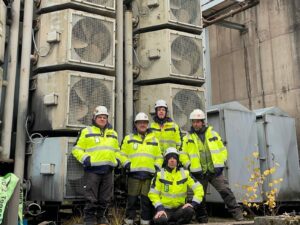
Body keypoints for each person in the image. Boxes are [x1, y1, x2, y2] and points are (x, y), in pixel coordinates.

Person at [180, 109, 244, 223]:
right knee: (199, 196)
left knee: (226, 191)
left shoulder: (213, 134)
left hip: (215, 171)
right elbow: (183, 155)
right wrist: (189, 166)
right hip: (199, 173)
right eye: (193, 122)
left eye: (198, 121)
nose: (196, 124)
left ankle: (238, 215)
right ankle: (202, 219)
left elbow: (222, 150)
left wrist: (222, 163)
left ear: (203, 122)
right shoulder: (187, 138)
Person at [72, 106, 121, 225]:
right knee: (91, 197)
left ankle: (101, 217)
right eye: (100, 117)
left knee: (105, 197)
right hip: (92, 171)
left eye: (105, 117)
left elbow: (117, 151)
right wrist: (86, 159)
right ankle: (89, 219)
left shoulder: (113, 133)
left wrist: (118, 161)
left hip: (108, 171)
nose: (102, 119)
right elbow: (76, 149)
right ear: (94, 118)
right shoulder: (87, 131)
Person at [120, 112, 163, 225]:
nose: (142, 125)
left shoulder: (154, 139)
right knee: (132, 200)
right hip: (133, 174)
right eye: (140, 123)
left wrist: (156, 167)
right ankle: (129, 221)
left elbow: (159, 156)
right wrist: (127, 164)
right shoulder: (128, 138)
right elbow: (122, 154)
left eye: (145, 123)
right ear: (136, 124)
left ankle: (145, 221)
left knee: (146, 201)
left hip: (149, 176)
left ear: (148, 124)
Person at [148, 147, 204, 225]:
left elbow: (199, 188)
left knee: (189, 211)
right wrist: (160, 208)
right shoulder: (159, 174)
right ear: (166, 160)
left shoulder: (185, 173)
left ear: (177, 160)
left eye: (174, 158)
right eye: (169, 157)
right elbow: (153, 194)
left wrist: (193, 204)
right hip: (164, 210)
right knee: (160, 220)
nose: (172, 160)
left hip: (179, 210)